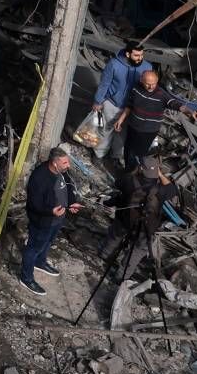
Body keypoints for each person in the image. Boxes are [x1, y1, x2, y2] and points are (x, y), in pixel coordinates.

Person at [112, 68, 197, 172]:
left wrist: (191, 112)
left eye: (153, 84)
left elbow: (177, 105)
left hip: (148, 132)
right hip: (133, 127)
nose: (151, 87)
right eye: (148, 84)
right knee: (128, 149)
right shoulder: (136, 89)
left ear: (157, 81)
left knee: (138, 154)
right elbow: (129, 106)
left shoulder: (161, 95)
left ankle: (134, 172)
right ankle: (128, 170)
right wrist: (121, 120)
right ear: (141, 80)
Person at [20, 148, 82, 295]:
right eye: (65, 163)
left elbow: (68, 186)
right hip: (43, 221)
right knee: (33, 248)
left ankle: (40, 262)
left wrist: (71, 202)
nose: (68, 165)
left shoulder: (62, 171)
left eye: (67, 162)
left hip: (57, 219)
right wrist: (50, 211)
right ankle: (26, 278)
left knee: (48, 242)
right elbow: (34, 204)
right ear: (55, 163)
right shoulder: (39, 178)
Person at [93, 42, 149, 165]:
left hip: (131, 108)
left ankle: (116, 156)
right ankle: (99, 154)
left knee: (122, 134)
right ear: (128, 54)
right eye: (136, 55)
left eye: (142, 55)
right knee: (105, 130)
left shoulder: (147, 67)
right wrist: (98, 101)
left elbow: (148, 89)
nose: (140, 58)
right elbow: (105, 84)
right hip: (112, 104)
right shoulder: (114, 64)